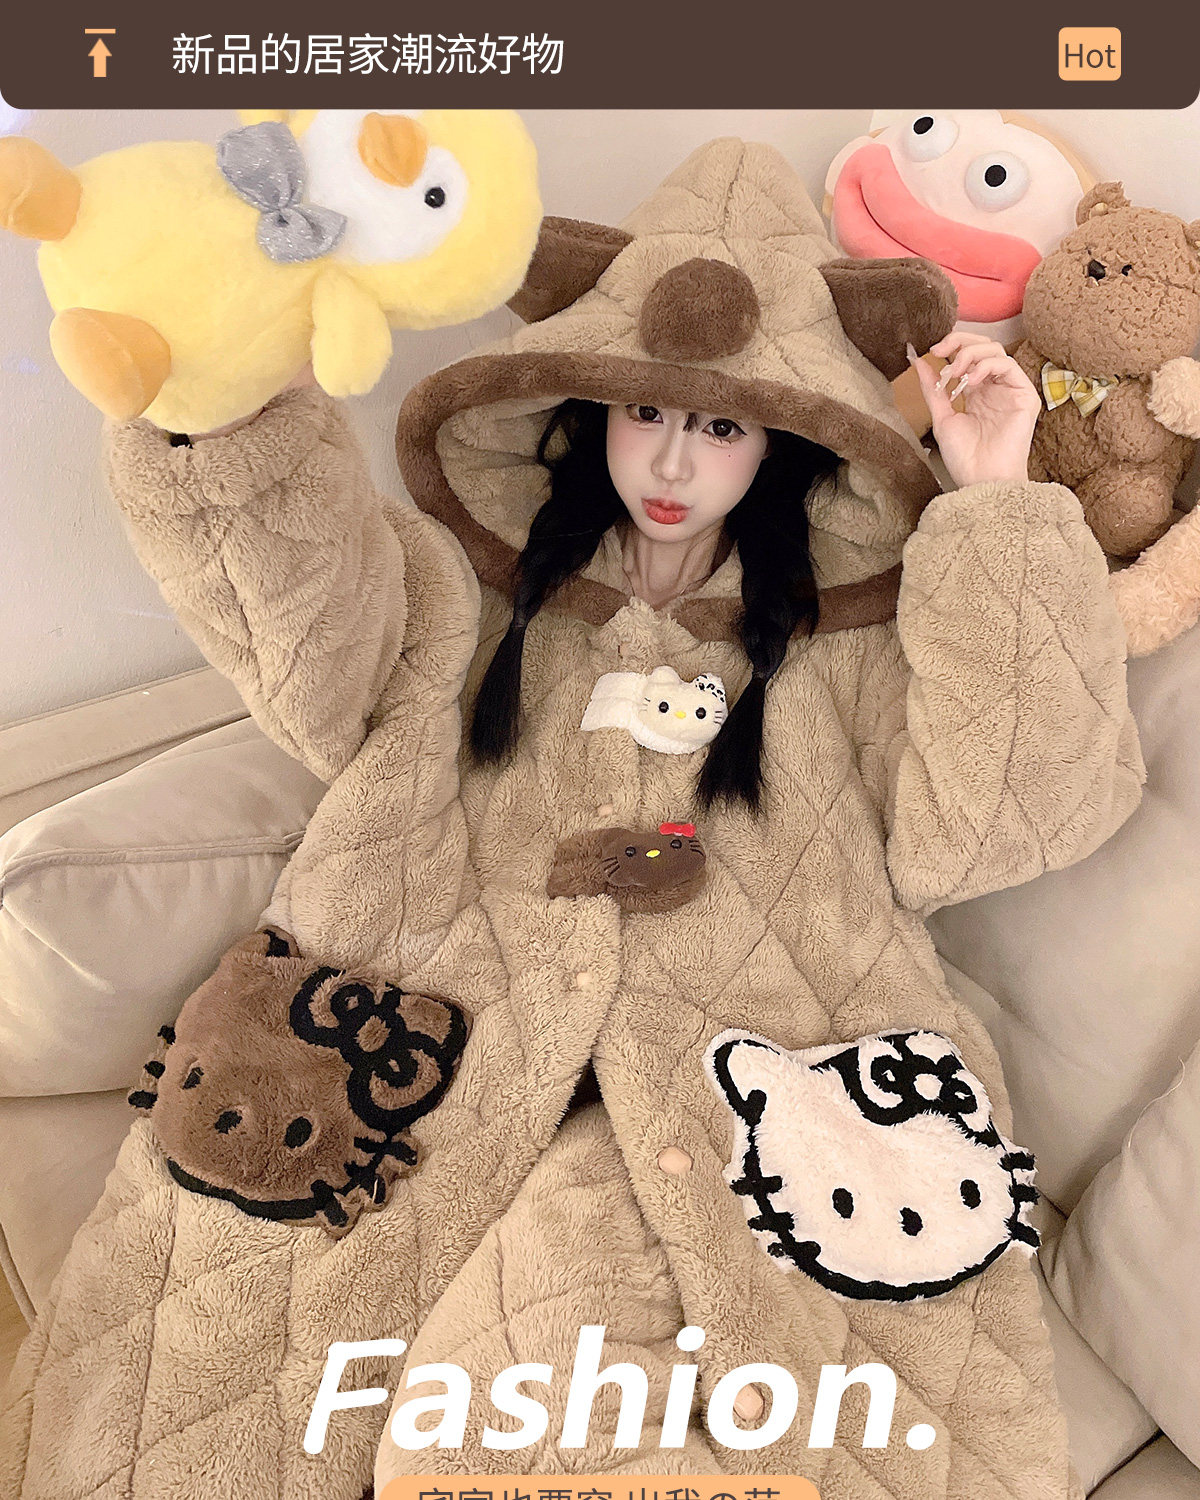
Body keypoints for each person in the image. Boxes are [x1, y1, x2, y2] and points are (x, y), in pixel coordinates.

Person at [1, 139, 1143, 1500]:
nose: (672, 457)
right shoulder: (460, 597)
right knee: (183, 1412)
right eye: (643, 410)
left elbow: (1018, 810)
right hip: (420, 1063)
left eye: (721, 427)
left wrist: (997, 496)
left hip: (722, 1095)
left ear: (783, 439)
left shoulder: (852, 652)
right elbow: (296, 613)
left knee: (502, 1437)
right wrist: (221, 391)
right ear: (585, 401)